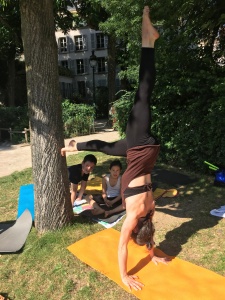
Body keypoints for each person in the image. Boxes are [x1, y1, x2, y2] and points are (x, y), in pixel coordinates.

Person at [61, 6, 170, 291]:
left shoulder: (150, 210)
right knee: (144, 92)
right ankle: (148, 40)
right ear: (136, 226)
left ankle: (74, 144)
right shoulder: (135, 215)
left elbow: (149, 234)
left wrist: (153, 253)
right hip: (141, 148)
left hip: (144, 153)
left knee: (107, 148)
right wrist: (124, 276)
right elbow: (122, 247)